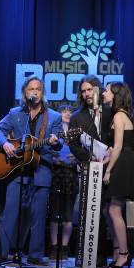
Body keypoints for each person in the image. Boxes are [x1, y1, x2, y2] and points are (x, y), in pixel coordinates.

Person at [0, 76, 62, 266]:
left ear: (43, 92)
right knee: (10, 213)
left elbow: (60, 142)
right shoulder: (15, 113)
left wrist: (56, 142)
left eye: (38, 89)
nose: (35, 92)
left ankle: (35, 254)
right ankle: (1, 252)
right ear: (25, 93)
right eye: (31, 89)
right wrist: (5, 143)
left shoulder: (53, 117)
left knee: (38, 215)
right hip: (17, 170)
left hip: (42, 171)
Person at [101, 82, 134, 268]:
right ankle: (120, 250)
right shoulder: (119, 114)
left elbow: (119, 146)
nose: (103, 92)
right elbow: (115, 146)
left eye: (106, 90)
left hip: (124, 164)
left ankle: (124, 254)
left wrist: (109, 170)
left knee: (113, 210)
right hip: (123, 161)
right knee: (108, 210)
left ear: (115, 94)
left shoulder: (119, 115)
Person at [68, 75, 112, 267]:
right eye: (83, 91)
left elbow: (118, 138)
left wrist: (109, 154)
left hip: (111, 167)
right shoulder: (77, 116)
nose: (86, 94)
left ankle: (106, 255)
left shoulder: (111, 111)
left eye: (89, 90)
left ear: (98, 90)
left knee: (110, 212)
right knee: (89, 212)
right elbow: (72, 143)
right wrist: (88, 158)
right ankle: (87, 256)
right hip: (90, 170)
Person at [47, 105, 79, 260]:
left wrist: (78, 158)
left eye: (70, 112)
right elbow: (46, 151)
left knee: (68, 215)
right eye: (64, 111)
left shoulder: (77, 134)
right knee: (54, 214)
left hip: (71, 176)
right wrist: (54, 157)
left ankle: (65, 248)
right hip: (55, 175)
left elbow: (86, 152)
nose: (67, 113)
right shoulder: (53, 133)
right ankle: (53, 247)